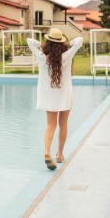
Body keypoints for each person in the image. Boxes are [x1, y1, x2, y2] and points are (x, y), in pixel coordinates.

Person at [27, 28, 83, 171]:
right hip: (65, 95)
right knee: (63, 124)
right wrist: (68, 44)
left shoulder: (41, 57)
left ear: (49, 42)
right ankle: (59, 154)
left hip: (49, 97)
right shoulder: (67, 56)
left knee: (50, 125)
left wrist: (42, 45)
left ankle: (47, 152)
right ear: (61, 43)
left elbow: (29, 41)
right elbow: (79, 41)